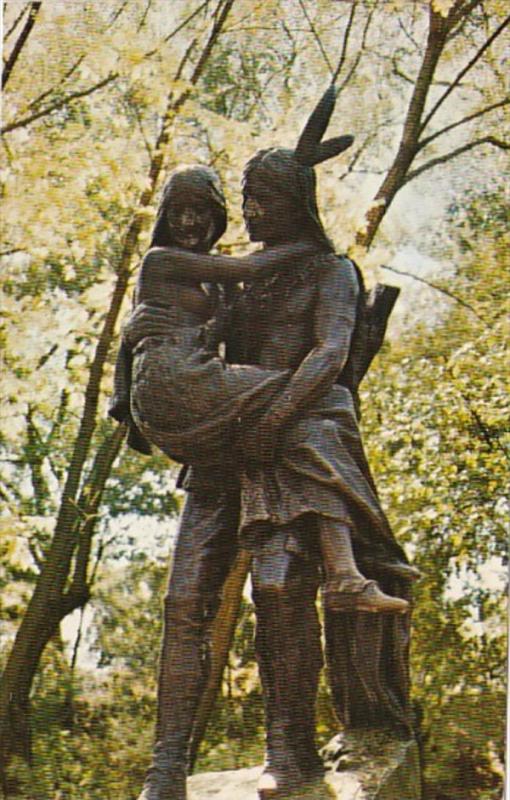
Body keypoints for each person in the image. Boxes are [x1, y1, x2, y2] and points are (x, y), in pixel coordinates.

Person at [120, 87, 416, 800]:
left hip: (283, 448)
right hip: (221, 458)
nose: (249, 213)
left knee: (280, 589)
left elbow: (331, 355)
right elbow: (185, 345)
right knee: (184, 599)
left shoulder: (330, 272)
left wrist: (274, 419)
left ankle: (290, 749)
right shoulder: (229, 286)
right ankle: (166, 767)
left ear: (295, 202)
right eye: (246, 199)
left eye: (262, 199)